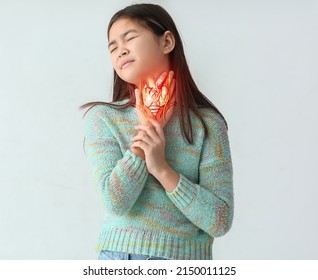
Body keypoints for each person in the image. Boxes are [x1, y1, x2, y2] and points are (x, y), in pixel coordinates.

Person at [80, 3, 234, 260]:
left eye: (130, 38)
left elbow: (219, 221)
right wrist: (146, 135)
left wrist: (162, 169)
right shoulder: (104, 118)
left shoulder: (207, 124)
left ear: (167, 42)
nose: (121, 51)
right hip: (121, 259)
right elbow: (115, 201)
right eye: (113, 47)